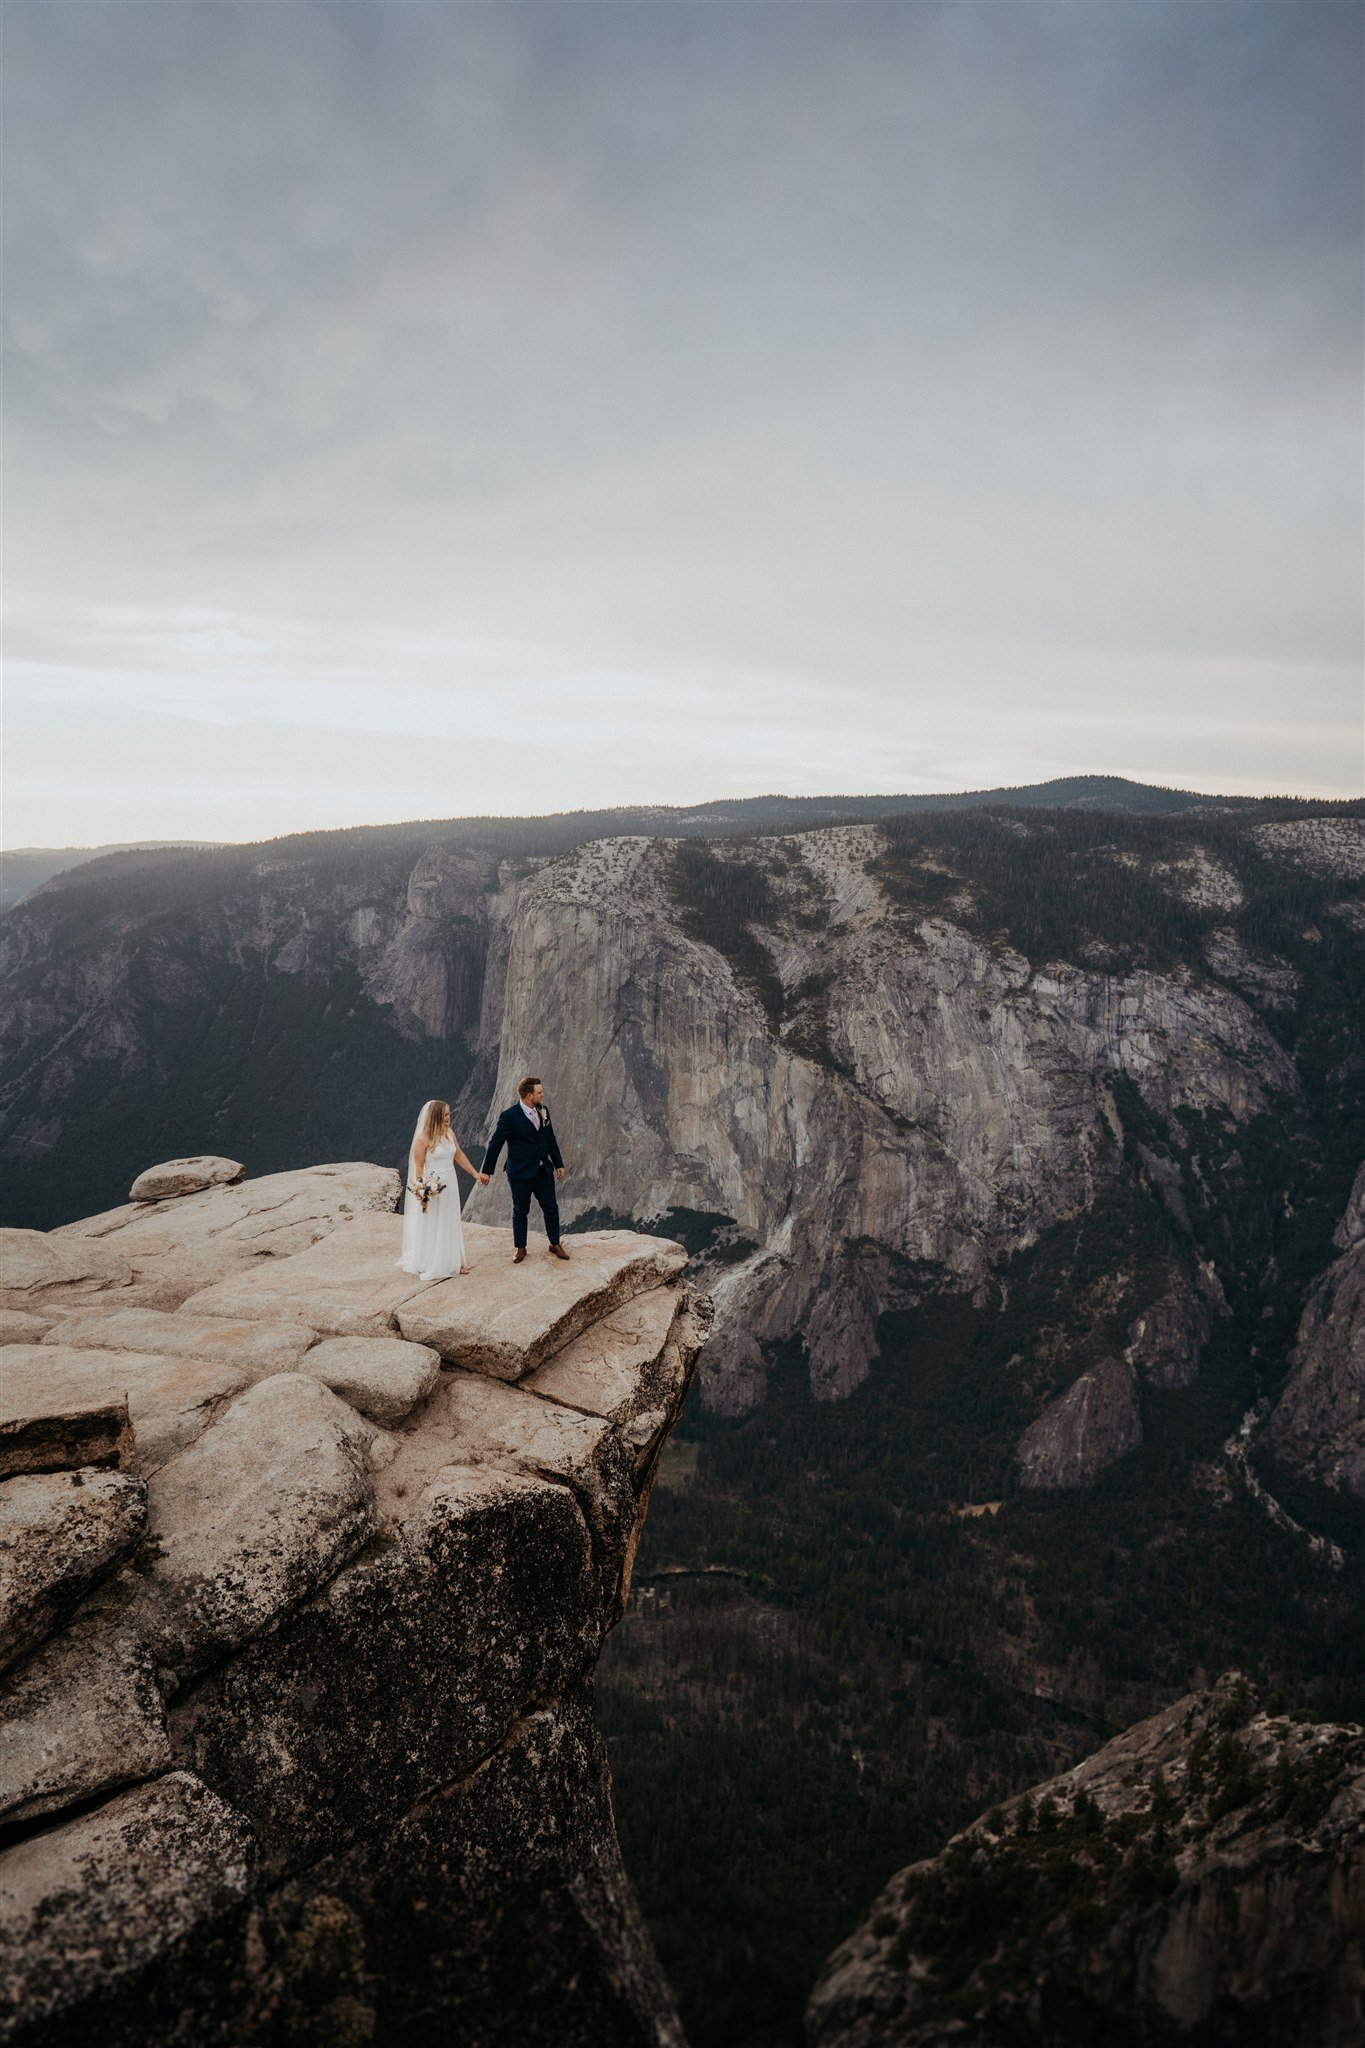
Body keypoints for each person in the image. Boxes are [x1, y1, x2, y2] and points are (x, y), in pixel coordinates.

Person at [480, 1075, 569, 1265]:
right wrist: (487, 1170)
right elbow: (496, 1143)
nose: (542, 1095)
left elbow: (550, 1138)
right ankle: (520, 1248)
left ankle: (554, 1243)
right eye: (539, 1092)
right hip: (520, 1173)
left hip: (543, 1170)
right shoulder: (509, 1116)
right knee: (521, 1210)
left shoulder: (544, 1111)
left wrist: (558, 1163)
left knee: (551, 1208)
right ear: (529, 1096)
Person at [398, 1098, 489, 1282]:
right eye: (446, 1114)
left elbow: (459, 1154)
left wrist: (475, 1174)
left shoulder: (449, 1133)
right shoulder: (422, 1139)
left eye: (449, 1114)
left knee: (450, 1220)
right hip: (433, 1187)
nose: (449, 1118)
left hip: (450, 1183)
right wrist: (423, 1192)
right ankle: (433, 1262)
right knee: (435, 1222)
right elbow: (419, 1167)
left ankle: (453, 1261)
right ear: (436, 1116)